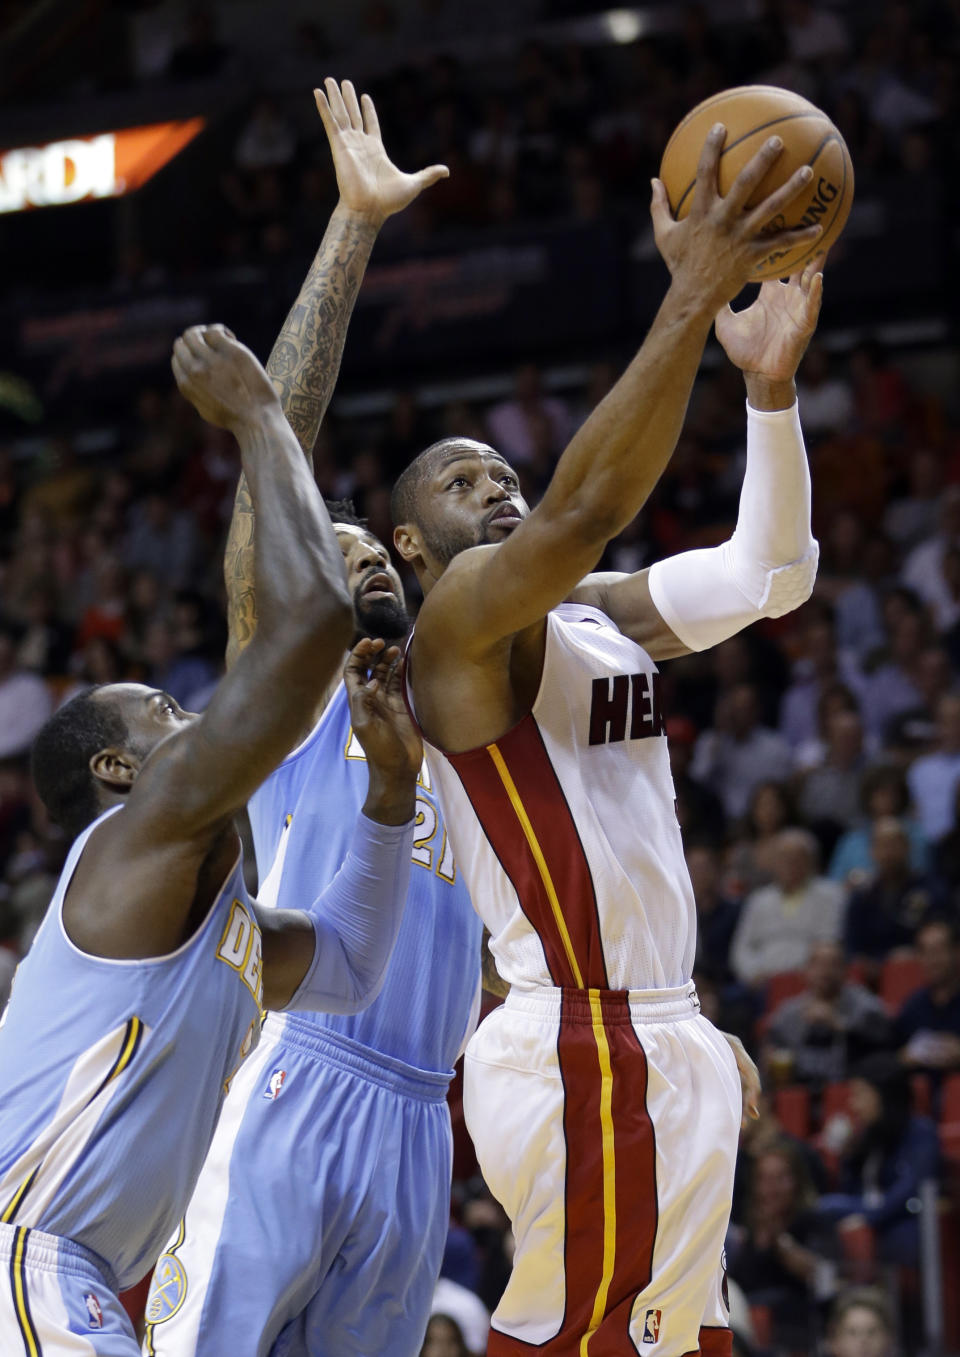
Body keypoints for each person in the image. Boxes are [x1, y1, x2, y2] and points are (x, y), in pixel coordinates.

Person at [398, 123, 824, 1354]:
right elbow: (584, 508)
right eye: (460, 483)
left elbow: (771, 575)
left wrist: (771, 392)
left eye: (499, 471)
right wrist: (695, 285)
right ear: (416, 548)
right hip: (580, 1033)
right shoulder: (458, 633)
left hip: (658, 1024)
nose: (497, 486)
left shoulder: (593, 609)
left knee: (683, 1339)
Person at [145, 81, 484, 1357]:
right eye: (329, 554)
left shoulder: (461, 718)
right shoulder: (290, 705)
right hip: (291, 1073)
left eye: (374, 549)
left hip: (419, 1124)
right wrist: (353, 229)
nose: (363, 565)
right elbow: (266, 469)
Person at [0, 327, 420, 1354]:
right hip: (29, 1252)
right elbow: (310, 622)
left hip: (80, 1271)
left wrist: (394, 791)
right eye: (158, 710)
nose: (190, 711)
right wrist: (261, 418)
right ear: (117, 770)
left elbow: (354, 964)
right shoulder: (132, 838)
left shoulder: (214, 921)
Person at [763, 940, 891, 1088]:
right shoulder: (788, 1014)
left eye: (833, 964)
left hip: (850, 1088)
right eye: (818, 964)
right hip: (801, 1091)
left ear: (845, 970)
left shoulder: (865, 1006)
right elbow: (772, 1051)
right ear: (805, 970)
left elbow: (884, 1041)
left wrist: (839, 1024)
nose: (825, 971)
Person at [729, 829, 845, 990]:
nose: (790, 865)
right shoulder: (759, 900)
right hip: (761, 982)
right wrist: (753, 973)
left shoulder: (830, 895)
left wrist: (803, 972)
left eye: (797, 859)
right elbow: (742, 948)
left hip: (808, 982)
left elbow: (828, 942)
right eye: (784, 859)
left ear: (811, 862)